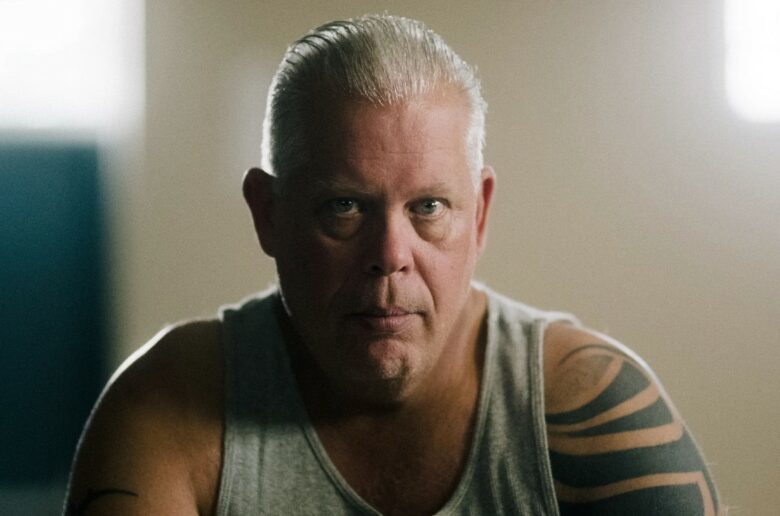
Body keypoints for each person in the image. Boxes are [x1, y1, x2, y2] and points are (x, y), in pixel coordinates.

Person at [65, 14, 721, 516]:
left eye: (428, 207)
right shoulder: (169, 406)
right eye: (344, 207)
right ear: (268, 214)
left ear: (479, 215)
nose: (389, 257)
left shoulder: (589, 408)